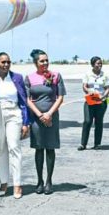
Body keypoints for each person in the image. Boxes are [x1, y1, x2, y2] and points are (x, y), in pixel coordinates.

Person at [24, 49, 66, 195]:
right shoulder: (29, 78)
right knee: (38, 148)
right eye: (42, 61)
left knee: (50, 148)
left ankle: (49, 181)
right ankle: (39, 181)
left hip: (52, 116)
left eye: (46, 60)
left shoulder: (56, 76)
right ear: (36, 63)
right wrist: (40, 115)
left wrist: (49, 114)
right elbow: (27, 99)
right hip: (37, 118)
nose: (45, 63)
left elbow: (60, 97)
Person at [0, 52, 30, 198]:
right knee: (0, 148)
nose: (6, 65)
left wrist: (26, 122)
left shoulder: (16, 78)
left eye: (8, 62)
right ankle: (3, 182)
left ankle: (17, 184)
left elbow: (23, 101)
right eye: (3, 62)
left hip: (14, 113)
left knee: (14, 147)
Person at [79, 56, 109, 150]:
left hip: (101, 101)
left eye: (101, 63)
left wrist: (103, 96)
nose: (100, 65)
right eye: (98, 63)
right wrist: (89, 92)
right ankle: (83, 144)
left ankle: (97, 144)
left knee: (99, 122)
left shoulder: (104, 75)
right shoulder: (88, 74)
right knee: (87, 121)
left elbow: (107, 88)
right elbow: (84, 86)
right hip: (90, 100)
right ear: (93, 64)